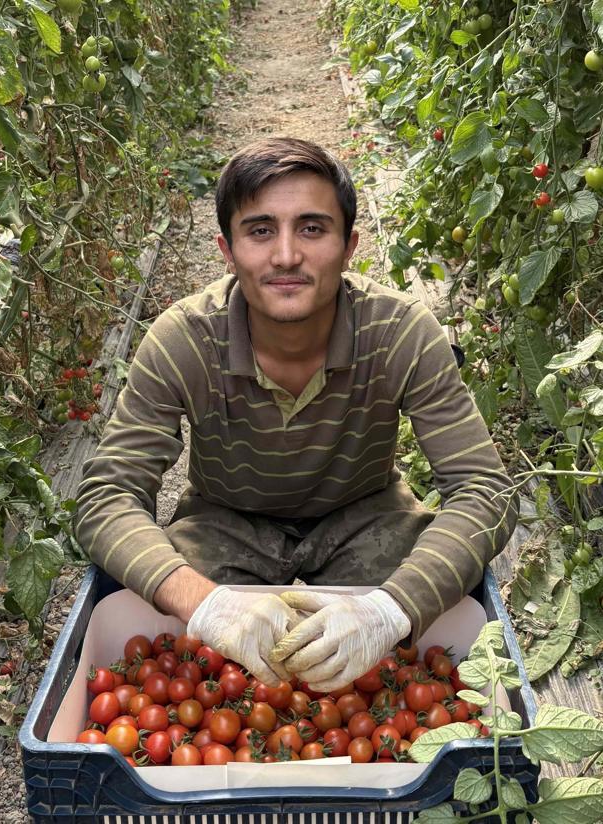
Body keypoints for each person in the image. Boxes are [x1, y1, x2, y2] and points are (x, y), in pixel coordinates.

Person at [75, 137, 518, 692]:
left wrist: (393, 609)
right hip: (226, 523)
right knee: (170, 623)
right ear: (227, 250)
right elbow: (106, 497)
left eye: (312, 228)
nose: (286, 256)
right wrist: (204, 603)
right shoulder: (181, 342)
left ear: (349, 245)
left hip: (366, 518)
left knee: (429, 620)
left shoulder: (402, 333)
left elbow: (485, 490)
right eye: (261, 231)